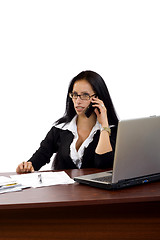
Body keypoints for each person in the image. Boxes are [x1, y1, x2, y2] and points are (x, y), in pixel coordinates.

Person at [16, 70, 119, 174]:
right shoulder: (61, 128)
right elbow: (39, 158)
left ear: (97, 98)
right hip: (65, 190)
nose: (78, 101)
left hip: (95, 190)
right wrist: (26, 167)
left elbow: (104, 166)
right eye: (75, 95)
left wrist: (104, 125)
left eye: (85, 95)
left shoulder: (113, 130)